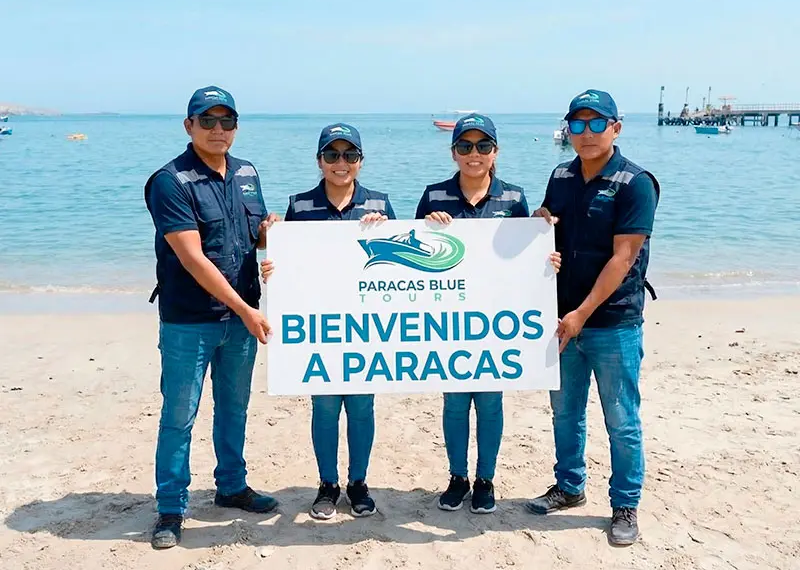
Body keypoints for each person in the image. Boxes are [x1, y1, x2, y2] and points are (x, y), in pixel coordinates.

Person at [144, 86, 279, 549]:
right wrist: (247, 311)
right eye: (208, 121)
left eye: (227, 122)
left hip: (241, 315)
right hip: (191, 319)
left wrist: (271, 236)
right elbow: (193, 258)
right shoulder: (170, 181)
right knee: (179, 415)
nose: (218, 130)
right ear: (189, 126)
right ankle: (170, 508)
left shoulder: (246, 171)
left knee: (234, 408)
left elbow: (252, 239)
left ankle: (232, 487)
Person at [525, 89, 660, 546]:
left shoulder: (635, 182)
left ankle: (625, 504)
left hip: (612, 321)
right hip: (561, 318)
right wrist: (540, 222)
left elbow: (623, 258)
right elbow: (550, 233)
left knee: (621, 417)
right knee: (565, 412)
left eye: (596, 123)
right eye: (577, 125)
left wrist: (582, 314)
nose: (585, 133)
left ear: (615, 128)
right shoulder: (561, 174)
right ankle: (569, 487)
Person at [415, 114, 560, 514]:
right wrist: (427, 226)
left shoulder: (513, 198)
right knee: (455, 401)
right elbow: (412, 257)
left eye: (482, 147)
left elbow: (523, 257)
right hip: (449, 319)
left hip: (495, 320)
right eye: (465, 147)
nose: (473, 155)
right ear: (453, 152)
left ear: (495, 152)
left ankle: (485, 479)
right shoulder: (434, 196)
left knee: (490, 401)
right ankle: (458, 477)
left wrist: (546, 255)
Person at [262, 123, 395, 520]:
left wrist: (386, 230)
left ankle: (358, 484)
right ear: (319, 161)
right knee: (324, 406)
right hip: (320, 324)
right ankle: (326, 485)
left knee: (361, 406)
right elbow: (288, 262)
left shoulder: (380, 204)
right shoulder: (299, 206)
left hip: (367, 323)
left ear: (361, 161)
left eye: (350, 156)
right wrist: (273, 268)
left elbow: (397, 263)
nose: (342, 163)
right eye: (333, 155)